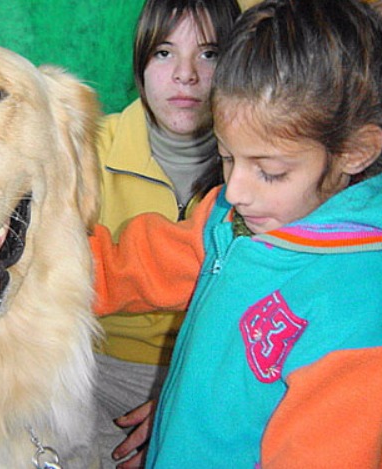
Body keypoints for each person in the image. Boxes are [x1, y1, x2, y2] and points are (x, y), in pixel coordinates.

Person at [90, 0, 382, 466]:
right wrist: (33, 270)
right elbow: (135, 264)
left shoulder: (367, 311)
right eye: (227, 157)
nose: (235, 190)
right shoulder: (241, 217)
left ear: (355, 152)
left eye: (271, 171)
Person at [93, 0, 239, 467]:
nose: (186, 74)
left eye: (210, 53)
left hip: (217, 375)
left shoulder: (268, 166)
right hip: (90, 369)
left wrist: (185, 402)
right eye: (164, 53)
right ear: (140, 62)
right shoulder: (86, 149)